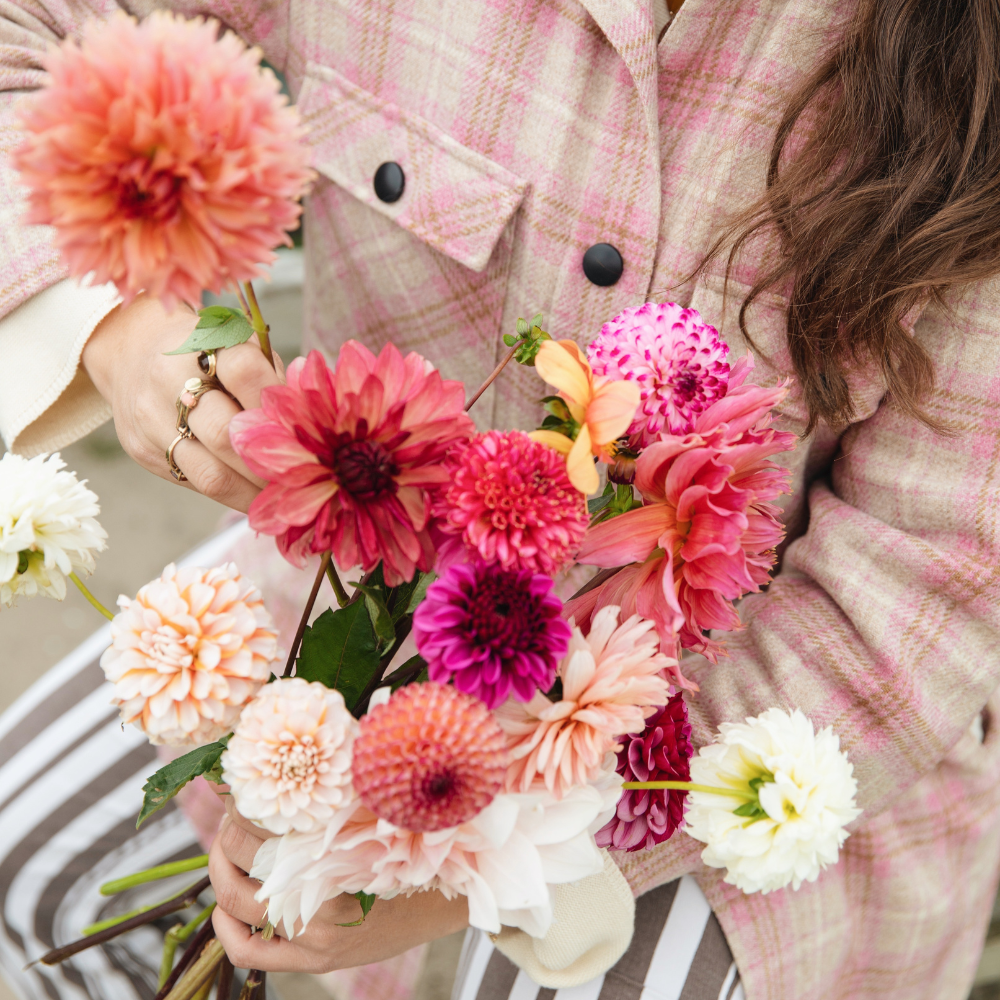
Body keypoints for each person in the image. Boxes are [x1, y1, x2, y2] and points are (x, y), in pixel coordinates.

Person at [1, 1, 999, 998]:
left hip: (724, 716)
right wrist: (120, 320)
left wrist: (479, 861)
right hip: (342, 589)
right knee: (29, 868)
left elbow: (932, 576)